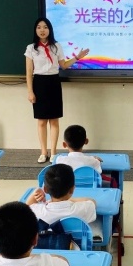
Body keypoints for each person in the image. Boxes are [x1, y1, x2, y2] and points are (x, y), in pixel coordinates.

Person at [25, 17, 89, 164]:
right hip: (39, 83)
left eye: (45, 27)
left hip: (53, 82)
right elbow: (28, 72)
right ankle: (43, 152)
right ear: (35, 30)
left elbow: (64, 65)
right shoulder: (31, 48)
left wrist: (77, 57)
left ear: (50, 29)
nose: (42, 30)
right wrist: (30, 91)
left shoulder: (56, 46)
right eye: (39, 27)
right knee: (41, 121)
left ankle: (53, 152)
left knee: (54, 120)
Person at [26, 163, 96, 225]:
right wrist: (71, 200)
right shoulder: (81, 209)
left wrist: (35, 193)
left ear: (45, 190)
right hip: (76, 236)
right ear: (72, 189)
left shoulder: (39, 211)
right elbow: (92, 202)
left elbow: (27, 208)